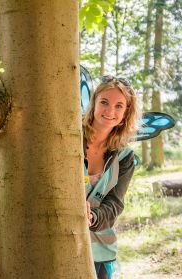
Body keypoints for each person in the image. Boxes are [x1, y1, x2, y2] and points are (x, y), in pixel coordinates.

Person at [83, 76, 138, 279]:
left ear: (125, 114)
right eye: (104, 102)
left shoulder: (125, 157)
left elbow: (115, 203)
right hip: (57, 242)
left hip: (100, 252)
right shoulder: (70, 138)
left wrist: (92, 217)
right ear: (94, 103)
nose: (110, 111)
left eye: (119, 106)